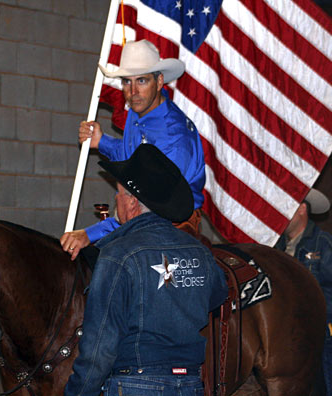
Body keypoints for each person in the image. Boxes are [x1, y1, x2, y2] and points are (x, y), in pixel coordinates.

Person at [63, 144, 228, 396]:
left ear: (132, 202)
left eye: (117, 193)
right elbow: (217, 294)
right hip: (190, 383)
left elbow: (100, 347)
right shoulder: (199, 251)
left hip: (136, 384)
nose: (115, 200)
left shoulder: (118, 255)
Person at [61, 39, 206, 259]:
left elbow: (152, 204)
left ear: (159, 81)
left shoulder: (174, 136)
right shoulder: (138, 113)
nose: (133, 92)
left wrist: (89, 234)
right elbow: (137, 161)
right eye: (126, 82)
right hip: (140, 214)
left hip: (173, 224)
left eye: (141, 81)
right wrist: (101, 141)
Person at [275, 188, 332, 396]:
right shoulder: (279, 247)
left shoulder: (327, 247)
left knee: (321, 388)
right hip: (293, 337)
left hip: (321, 338)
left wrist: (302, 312)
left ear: (301, 209)